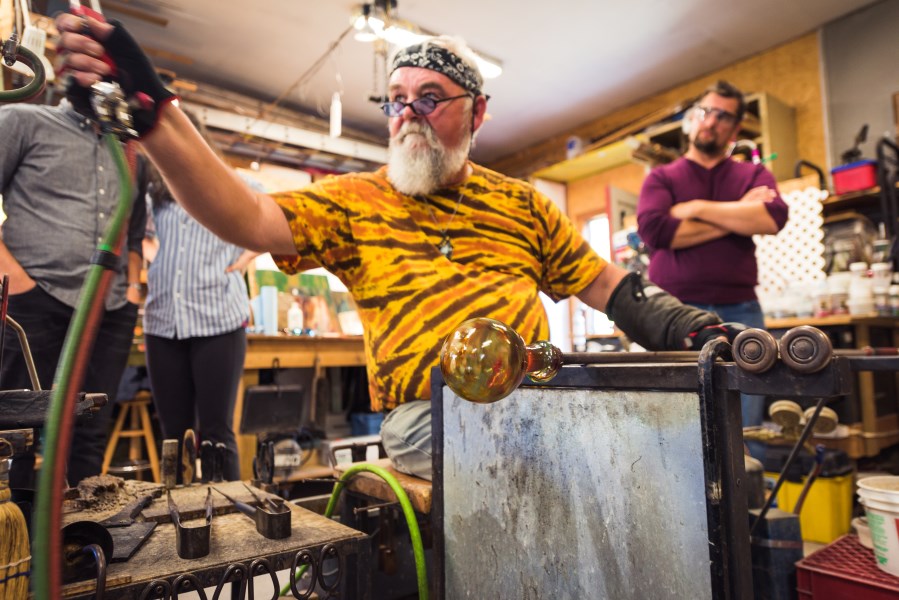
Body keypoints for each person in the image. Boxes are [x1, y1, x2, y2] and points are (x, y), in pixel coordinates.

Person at [57, 17, 744, 481]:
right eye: (394, 100)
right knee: (536, 465)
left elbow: (605, 285)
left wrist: (682, 323)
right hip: (427, 416)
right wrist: (155, 113)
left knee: (674, 459)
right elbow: (249, 218)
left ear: (477, 112)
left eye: (429, 98)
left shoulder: (522, 204)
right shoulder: (356, 201)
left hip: (537, 395)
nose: (406, 115)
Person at [0, 96, 147, 487]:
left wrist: (132, 292)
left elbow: (135, 234)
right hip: (34, 299)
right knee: (19, 430)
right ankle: (17, 540)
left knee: (91, 434)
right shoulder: (23, 122)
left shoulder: (132, 153)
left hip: (110, 308)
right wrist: (14, 276)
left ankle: (82, 538)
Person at [636, 80, 789, 451]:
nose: (711, 122)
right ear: (693, 119)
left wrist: (695, 209)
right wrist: (737, 215)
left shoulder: (751, 175)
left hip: (741, 313)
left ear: (735, 129)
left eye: (723, 116)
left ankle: (747, 504)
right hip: (672, 311)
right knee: (673, 422)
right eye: (706, 112)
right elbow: (656, 231)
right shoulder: (662, 176)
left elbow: (771, 217)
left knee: (745, 424)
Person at [142, 112, 258, 482]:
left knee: (217, 434)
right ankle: (178, 521)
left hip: (218, 320)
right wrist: (154, 262)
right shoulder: (154, 194)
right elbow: (137, 237)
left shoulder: (232, 183)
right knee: (173, 437)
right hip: (163, 322)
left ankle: (227, 521)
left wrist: (243, 259)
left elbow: (280, 213)